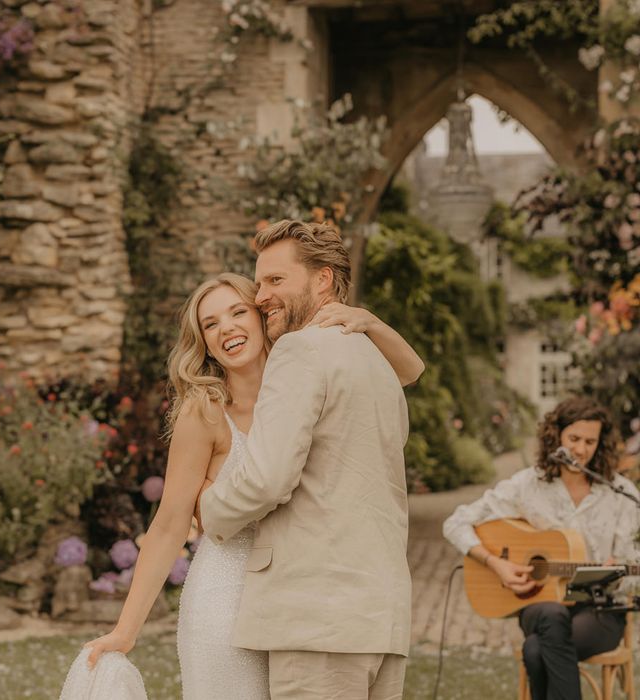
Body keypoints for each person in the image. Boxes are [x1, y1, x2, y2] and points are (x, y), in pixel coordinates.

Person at [82, 246, 424, 697]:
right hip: (226, 600)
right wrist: (126, 631)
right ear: (201, 340)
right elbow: (168, 526)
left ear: (261, 316)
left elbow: (408, 370)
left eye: (238, 311)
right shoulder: (203, 412)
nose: (226, 328)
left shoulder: (307, 375)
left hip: (302, 603)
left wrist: (369, 320)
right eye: (210, 324)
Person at [199, 220, 416, 700]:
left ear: (322, 280)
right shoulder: (379, 362)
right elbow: (412, 370)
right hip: (381, 617)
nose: (261, 296)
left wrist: (210, 510)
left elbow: (269, 479)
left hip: (317, 620)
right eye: (259, 283)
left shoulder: (298, 351)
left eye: (276, 280)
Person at [443, 396, 640, 700]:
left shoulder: (620, 492)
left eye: (590, 441)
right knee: (550, 614)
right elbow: (455, 523)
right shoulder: (528, 485)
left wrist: (615, 572)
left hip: (599, 609)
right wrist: (497, 564)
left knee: (535, 650)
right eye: (573, 438)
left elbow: (632, 574)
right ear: (556, 436)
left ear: (600, 443)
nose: (580, 449)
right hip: (540, 603)